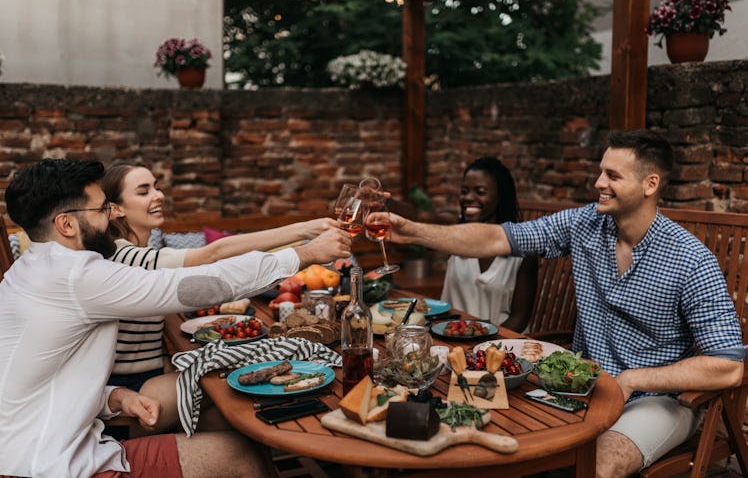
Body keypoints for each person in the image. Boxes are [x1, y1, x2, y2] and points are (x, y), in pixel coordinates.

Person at [371, 130, 745, 477]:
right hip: (584, 385)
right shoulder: (585, 224)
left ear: (650, 184)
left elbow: (727, 367)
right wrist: (413, 231)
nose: (599, 183)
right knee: (496, 433)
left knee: (598, 466)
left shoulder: (690, 259)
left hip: (654, 398)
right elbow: (499, 238)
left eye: (613, 176)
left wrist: (634, 379)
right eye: (601, 172)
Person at [0, 158, 351, 478]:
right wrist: (304, 254)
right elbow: (195, 287)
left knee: (239, 435)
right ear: (66, 224)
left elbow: (40, 379)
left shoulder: (33, 270)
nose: (109, 217)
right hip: (48, 467)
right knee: (242, 456)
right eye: (101, 209)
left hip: (49, 450)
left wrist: (114, 397)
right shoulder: (76, 274)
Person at [101, 161, 338, 433]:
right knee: (228, 384)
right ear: (115, 209)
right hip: (130, 390)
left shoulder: (142, 250)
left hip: (154, 372)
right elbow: (214, 253)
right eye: (143, 191)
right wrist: (305, 232)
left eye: (156, 187)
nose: (158, 195)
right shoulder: (124, 254)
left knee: (238, 422)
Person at [390, 157, 536, 331]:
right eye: (464, 191)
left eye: (480, 191)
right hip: (451, 337)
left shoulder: (523, 253)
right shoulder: (454, 231)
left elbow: (519, 320)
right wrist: (385, 202)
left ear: (501, 197)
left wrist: (479, 339)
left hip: (500, 345)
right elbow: (419, 216)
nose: (468, 198)